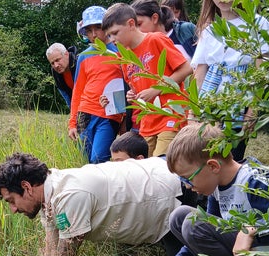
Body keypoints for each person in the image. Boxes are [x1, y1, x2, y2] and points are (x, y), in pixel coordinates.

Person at [0, 152, 183, 256]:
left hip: (174, 187)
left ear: (26, 187)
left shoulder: (68, 196)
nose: (13, 209)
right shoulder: (48, 195)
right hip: (157, 174)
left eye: (11, 201)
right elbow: (50, 251)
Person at [149, 124, 269, 256]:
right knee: (179, 217)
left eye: (188, 179)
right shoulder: (217, 188)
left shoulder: (253, 180)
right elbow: (207, 229)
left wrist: (251, 228)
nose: (187, 186)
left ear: (213, 166)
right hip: (246, 254)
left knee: (193, 223)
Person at [101, 3, 193, 157]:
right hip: (147, 123)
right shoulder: (124, 56)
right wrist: (132, 95)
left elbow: (186, 69)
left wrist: (155, 90)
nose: (112, 40)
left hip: (171, 116)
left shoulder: (155, 39)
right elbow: (136, 85)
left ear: (131, 24)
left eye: (115, 33)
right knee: (143, 169)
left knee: (161, 166)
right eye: (109, 35)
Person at [191, 0, 269, 162]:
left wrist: (252, 111)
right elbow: (199, 75)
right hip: (209, 103)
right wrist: (192, 112)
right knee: (206, 156)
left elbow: (261, 71)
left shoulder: (257, 23)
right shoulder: (209, 30)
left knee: (231, 158)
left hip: (239, 100)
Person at [69, 6, 125, 164]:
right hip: (84, 114)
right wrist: (72, 122)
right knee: (85, 160)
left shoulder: (120, 52)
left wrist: (125, 118)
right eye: (89, 30)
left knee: (99, 158)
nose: (94, 34)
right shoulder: (84, 56)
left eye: (98, 28)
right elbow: (78, 91)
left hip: (109, 114)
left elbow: (127, 85)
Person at [131, 0, 197, 60]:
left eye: (139, 24)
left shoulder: (185, 29)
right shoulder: (143, 46)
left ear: (155, 18)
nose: (137, 30)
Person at [45, 43, 79, 108]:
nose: (56, 65)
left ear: (66, 54)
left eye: (57, 60)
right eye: (52, 63)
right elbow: (66, 96)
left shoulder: (80, 62)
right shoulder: (55, 73)